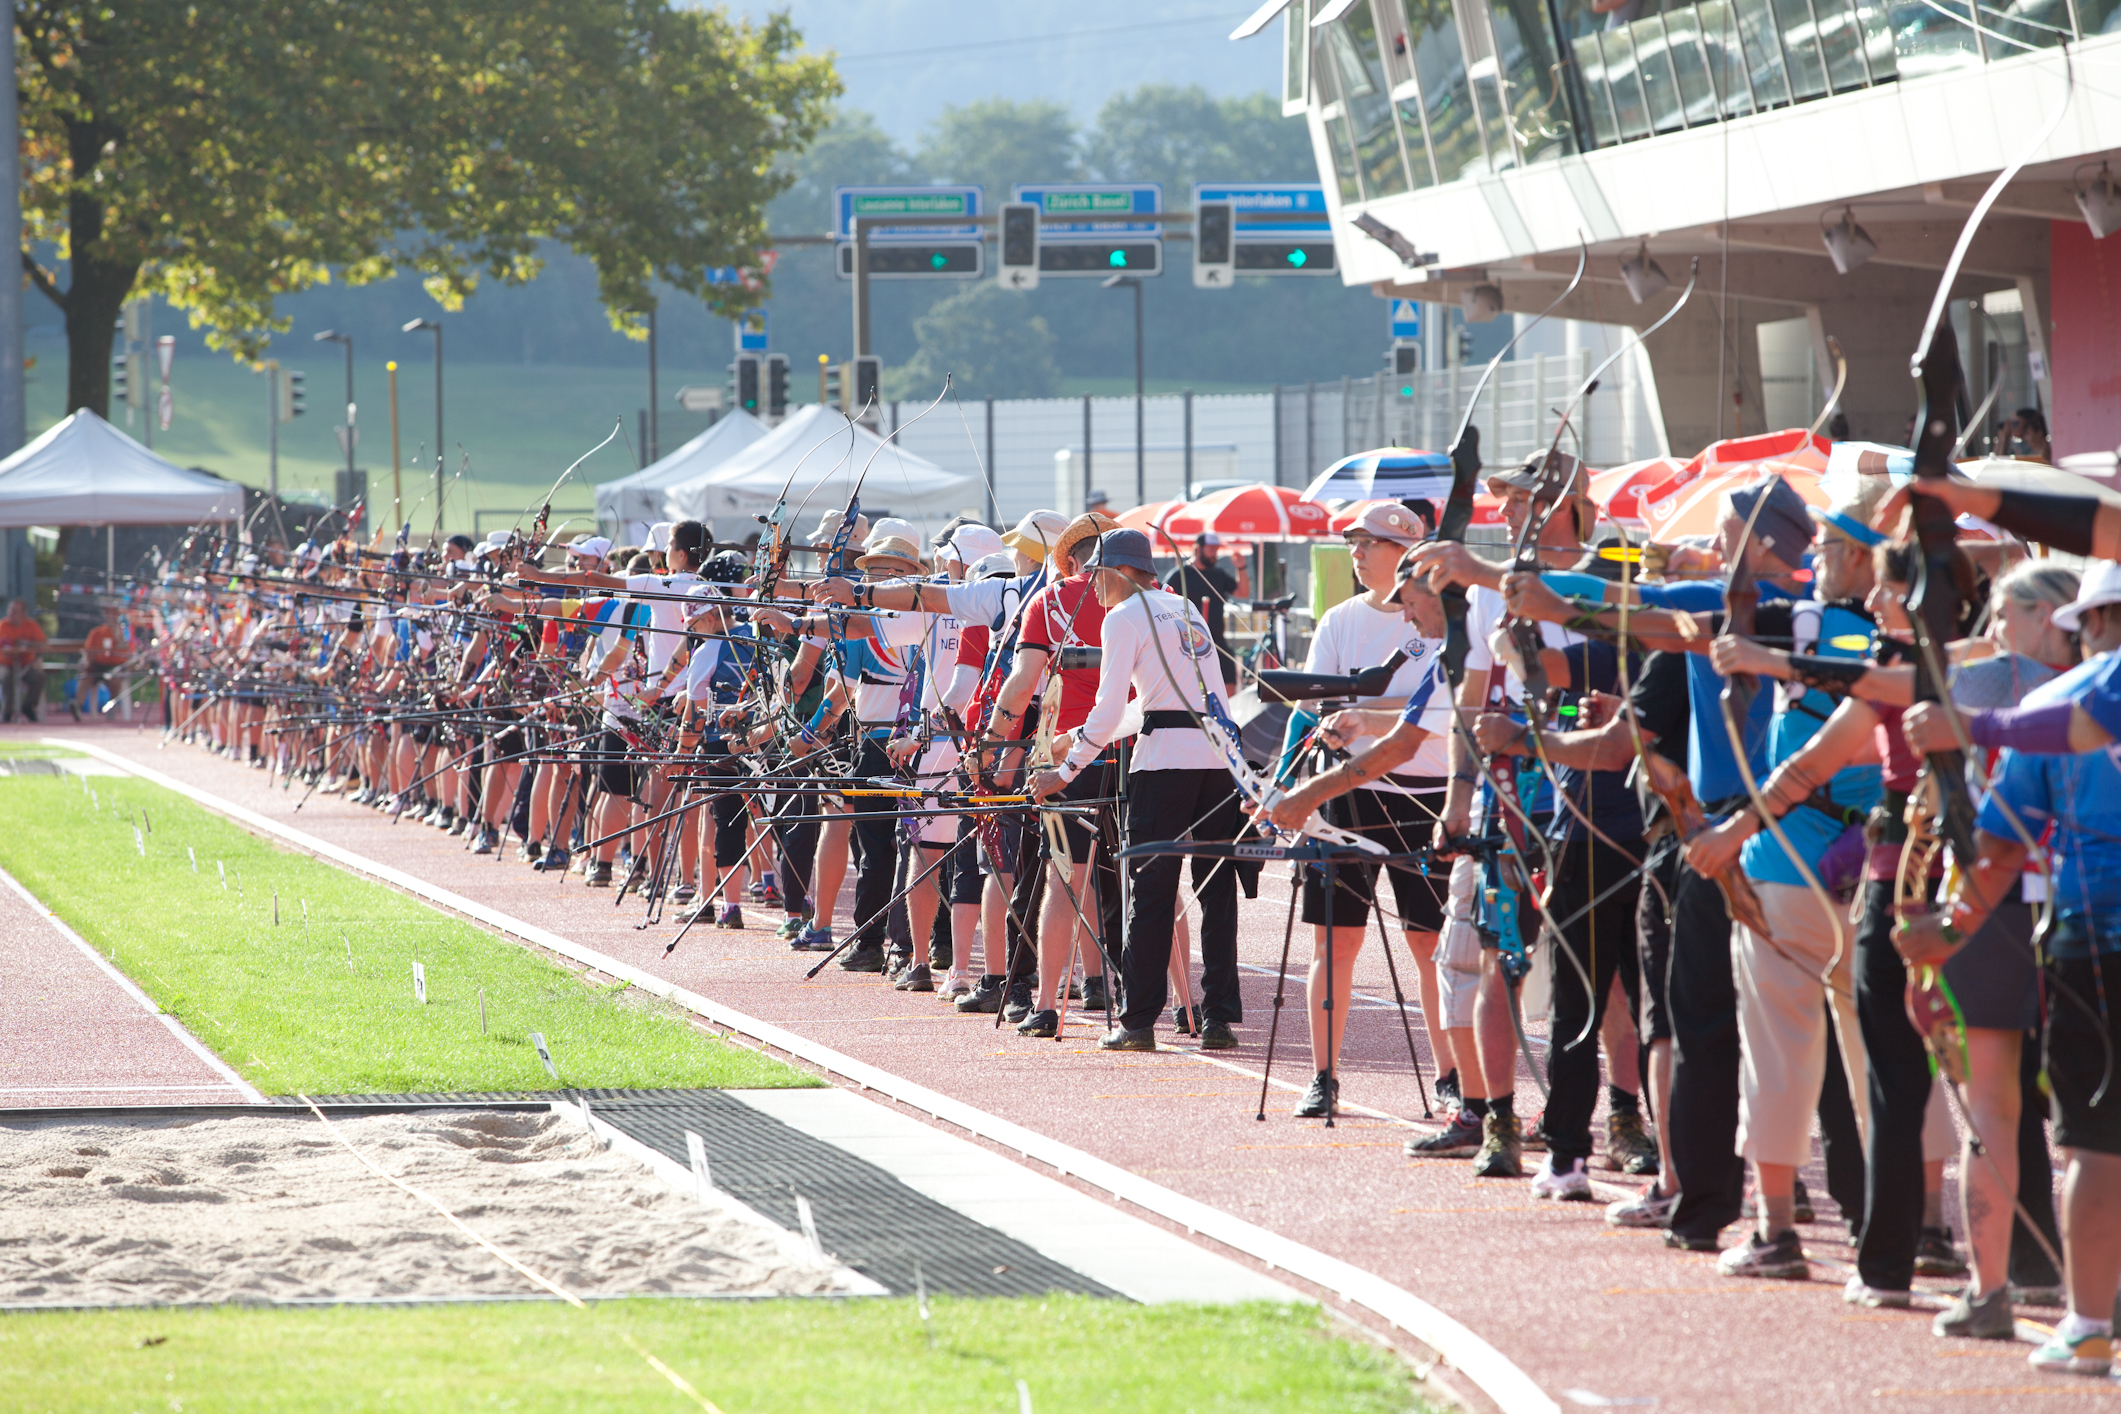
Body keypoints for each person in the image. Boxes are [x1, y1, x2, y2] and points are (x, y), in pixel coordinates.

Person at [1897, 565, 2121, 1378]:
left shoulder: (2049, 705)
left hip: (2092, 942)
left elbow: (1994, 850)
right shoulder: (2046, 705)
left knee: (2094, 1144)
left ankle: (2085, 1325)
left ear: (2087, 622)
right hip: (2082, 937)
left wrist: (1944, 932)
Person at [1031, 528, 1245, 1052]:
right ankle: (1218, 1018)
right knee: (1217, 892)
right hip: (1219, 759)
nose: (1091, 587)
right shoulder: (1185, 609)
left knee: (1149, 893)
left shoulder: (1123, 616)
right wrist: (1074, 739)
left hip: (1164, 765)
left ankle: (1138, 1022)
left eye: (1096, 575)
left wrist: (1066, 771)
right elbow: (1161, 704)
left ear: (1122, 571)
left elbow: (1109, 709)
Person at [1272, 502, 1454, 1119]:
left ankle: (1451, 1078)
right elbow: (1313, 707)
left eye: (1369, 543)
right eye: (1353, 542)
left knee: (1431, 944)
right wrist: (1282, 780)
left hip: (1426, 795)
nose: (1356, 553)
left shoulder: (1438, 618)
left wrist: (1369, 713)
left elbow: (1438, 703)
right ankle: (1323, 1077)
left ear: (1406, 553)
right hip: (1345, 797)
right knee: (1335, 941)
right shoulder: (1340, 619)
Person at [1165, 533, 1251, 689]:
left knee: (1229, 683)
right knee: (1193, 687)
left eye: (1216, 549)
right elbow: (1164, 603)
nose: (1214, 554)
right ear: (1198, 549)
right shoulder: (1179, 575)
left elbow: (1242, 592)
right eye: (1211, 549)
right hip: (1188, 643)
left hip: (1217, 640)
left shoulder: (1218, 574)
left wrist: (1241, 568)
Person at [69, 602, 132, 719]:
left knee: (115, 680)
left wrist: (116, 632)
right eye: (108, 612)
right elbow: (88, 651)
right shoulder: (97, 632)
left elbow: (128, 651)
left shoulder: (124, 632)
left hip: (116, 666)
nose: (111, 615)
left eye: (114, 612)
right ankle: (78, 705)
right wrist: (87, 663)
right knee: (85, 677)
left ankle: (112, 704)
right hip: (98, 665)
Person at [0, 598, 48, 722]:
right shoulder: (3, 626)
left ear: (23, 614)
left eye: (15, 611)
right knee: (6, 678)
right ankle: (7, 712)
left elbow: (43, 644)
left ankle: (27, 706)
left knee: (39, 677)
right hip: (5, 663)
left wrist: (26, 643)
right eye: (10, 610)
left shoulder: (31, 625)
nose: (11, 614)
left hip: (25, 664)